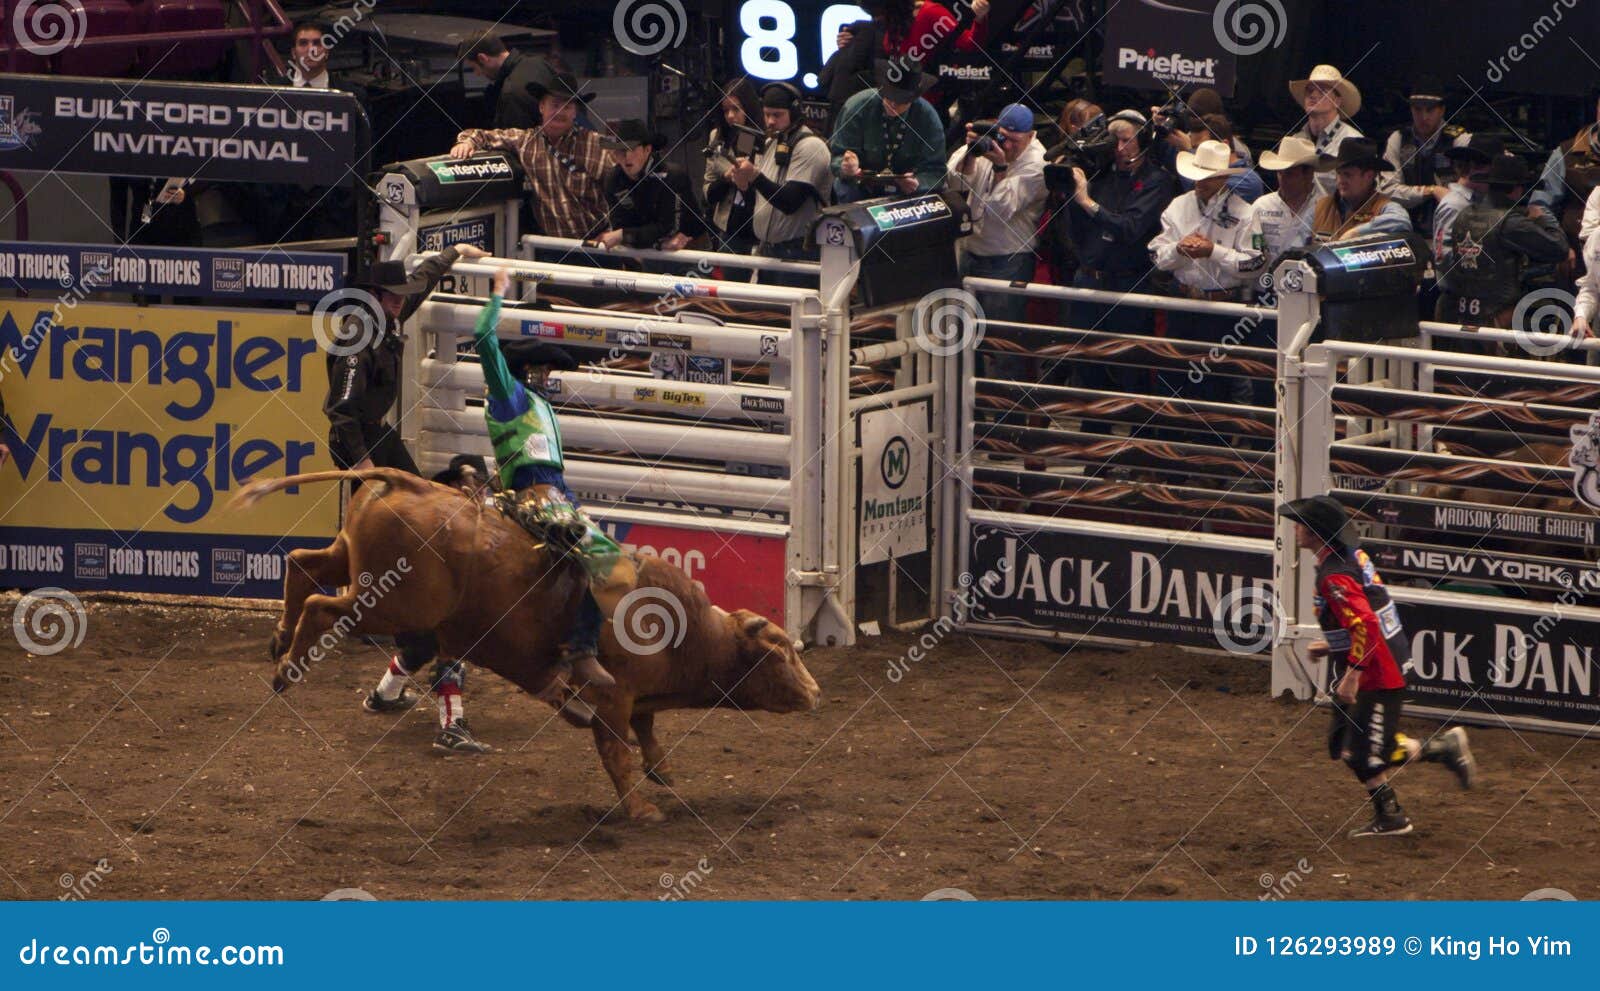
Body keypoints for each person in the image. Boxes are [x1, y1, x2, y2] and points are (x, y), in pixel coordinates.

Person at [333, 243, 496, 753]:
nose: (401, 301)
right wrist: (364, 470)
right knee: (413, 540)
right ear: (372, 296)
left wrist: (452, 254)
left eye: (400, 294)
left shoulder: (384, 315)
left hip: (377, 438)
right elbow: (340, 413)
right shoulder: (356, 341)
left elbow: (419, 283)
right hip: (359, 443)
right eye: (391, 295)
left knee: (424, 515)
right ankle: (394, 615)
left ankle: (391, 679)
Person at [1277, 495, 1475, 838]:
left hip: (1378, 672)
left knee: (1369, 751)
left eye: (1301, 523)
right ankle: (1394, 811)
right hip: (1373, 661)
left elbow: (1366, 624)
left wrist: (1352, 673)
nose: (1295, 527)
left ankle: (1435, 758)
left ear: (1317, 532)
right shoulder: (1347, 559)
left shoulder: (1334, 574)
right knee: (1345, 747)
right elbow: (1370, 609)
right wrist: (1334, 643)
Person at [473, 267, 620, 716]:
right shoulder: (508, 394)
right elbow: (483, 338)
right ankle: (580, 650)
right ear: (522, 370)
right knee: (601, 557)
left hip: (555, 493)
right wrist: (497, 294)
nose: (544, 374)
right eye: (538, 367)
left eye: (547, 368)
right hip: (533, 495)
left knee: (607, 561)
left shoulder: (536, 404)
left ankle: (573, 654)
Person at [1060, 110, 1175, 406]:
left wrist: (1088, 203)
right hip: (1088, 279)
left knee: (1130, 365)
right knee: (1085, 362)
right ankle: (1093, 435)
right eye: (1116, 141)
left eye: (1127, 141)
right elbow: (1073, 230)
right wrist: (1072, 192)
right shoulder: (1098, 173)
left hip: (1128, 284)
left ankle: (1136, 437)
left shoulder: (1156, 180)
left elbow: (1130, 228)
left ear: (1143, 142)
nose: (1120, 148)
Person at [1149, 139, 1263, 404]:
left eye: (1207, 178)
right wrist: (1179, 249)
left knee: (1214, 389)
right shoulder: (1178, 206)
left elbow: (1255, 264)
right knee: (1173, 380)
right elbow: (1156, 255)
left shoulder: (1244, 213)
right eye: (1197, 176)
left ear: (1223, 177)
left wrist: (1213, 251)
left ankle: (1209, 441)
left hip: (1221, 311)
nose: (1199, 183)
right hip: (1182, 303)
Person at [945, 102, 1047, 376]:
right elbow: (953, 182)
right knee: (965, 338)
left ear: (1030, 136)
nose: (1007, 146)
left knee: (1003, 343)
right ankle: (970, 411)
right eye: (1003, 137)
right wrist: (970, 155)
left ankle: (1005, 413)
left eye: (1015, 141)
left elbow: (1001, 210)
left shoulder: (1037, 165)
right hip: (970, 252)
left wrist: (1001, 166)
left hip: (1008, 260)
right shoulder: (987, 142)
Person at [450, 70, 608, 240]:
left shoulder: (595, 144)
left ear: (575, 112)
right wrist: (466, 142)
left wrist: (618, 232)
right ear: (541, 107)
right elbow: (481, 135)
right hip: (551, 247)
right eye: (555, 105)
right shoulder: (525, 140)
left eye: (567, 106)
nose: (560, 112)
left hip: (597, 244)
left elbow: (628, 182)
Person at [1435, 155, 1567, 328]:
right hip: (1499, 314)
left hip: (1461, 311)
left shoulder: (1464, 215)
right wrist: (1544, 218)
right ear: (1517, 189)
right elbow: (1559, 248)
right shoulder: (1512, 222)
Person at [732, 83, 833, 280]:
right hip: (767, 250)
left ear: (794, 112)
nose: (770, 121)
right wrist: (744, 185)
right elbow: (761, 199)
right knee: (767, 311)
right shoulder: (771, 143)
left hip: (798, 251)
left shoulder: (810, 146)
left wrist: (754, 176)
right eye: (767, 114)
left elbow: (789, 203)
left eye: (777, 115)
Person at [829, 59, 946, 203]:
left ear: (914, 98)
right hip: (860, 186)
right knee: (845, 186)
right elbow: (836, 157)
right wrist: (846, 168)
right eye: (890, 97)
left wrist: (919, 183)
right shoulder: (856, 107)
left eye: (901, 100)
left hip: (907, 194)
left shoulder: (928, 117)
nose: (893, 104)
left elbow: (936, 170)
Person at [596, 120, 705, 254]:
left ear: (647, 150)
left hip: (690, 247)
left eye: (632, 149)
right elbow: (620, 223)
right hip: (644, 249)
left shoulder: (672, 176)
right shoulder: (613, 180)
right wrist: (628, 236)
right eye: (621, 150)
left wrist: (623, 235)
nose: (627, 157)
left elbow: (668, 227)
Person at [1380, 75, 1470, 236]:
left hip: (1451, 228)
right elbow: (1388, 190)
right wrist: (1430, 190)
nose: (1424, 117)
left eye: (1430, 110)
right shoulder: (1398, 138)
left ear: (1442, 110)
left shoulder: (1459, 139)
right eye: (1418, 109)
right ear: (1411, 109)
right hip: (1407, 228)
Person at [703, 77, 766, 258]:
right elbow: (708, 190)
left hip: (761, 225)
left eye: (736, 109)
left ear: (749, 107)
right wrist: (728, 178)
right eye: (725, 110)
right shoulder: (717, 137)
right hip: (730, 226)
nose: (730, 116)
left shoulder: (764, 138)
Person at [1531, 91, 1600, 249]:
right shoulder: (1567, 152)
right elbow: (1538, 206)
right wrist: (1561, 246)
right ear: (1598, 109)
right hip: (1576, 256)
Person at [1311, 139, 1411, 243]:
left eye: (1347, 175)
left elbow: (1401, 221)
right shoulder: (1320, 206)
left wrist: (1356, 232)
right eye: (1338, 173)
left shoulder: (1383, 206)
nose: (1340, 180)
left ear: (1369, 176)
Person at [1289, 64, 1364, 201]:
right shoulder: (1294, 140)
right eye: (1309, 90)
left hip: (1337, 219)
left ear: (1337, 101)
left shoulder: (1353, 141)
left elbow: (1363, 194)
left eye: (1322, 91)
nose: (1313, 95)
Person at [1251, 136, 1320, 278]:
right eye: (1279, 173)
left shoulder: (1324, 207)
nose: (1282, 179)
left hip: (1308, 288)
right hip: (1265, 287)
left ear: (1308, 174)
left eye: (1289, 174)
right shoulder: (1261, 206)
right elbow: (1253, 249)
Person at [1432, 134, 1504, 265]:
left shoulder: (1485, 200)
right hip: (1457, 283)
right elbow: (1442, 257)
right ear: (1476, 168)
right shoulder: (1454, 205)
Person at [459, 34, 552, 129]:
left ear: (483, 58)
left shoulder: (511, 94)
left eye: (474, 68)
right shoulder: (539, 62)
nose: (477, 73)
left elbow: (517, 142)